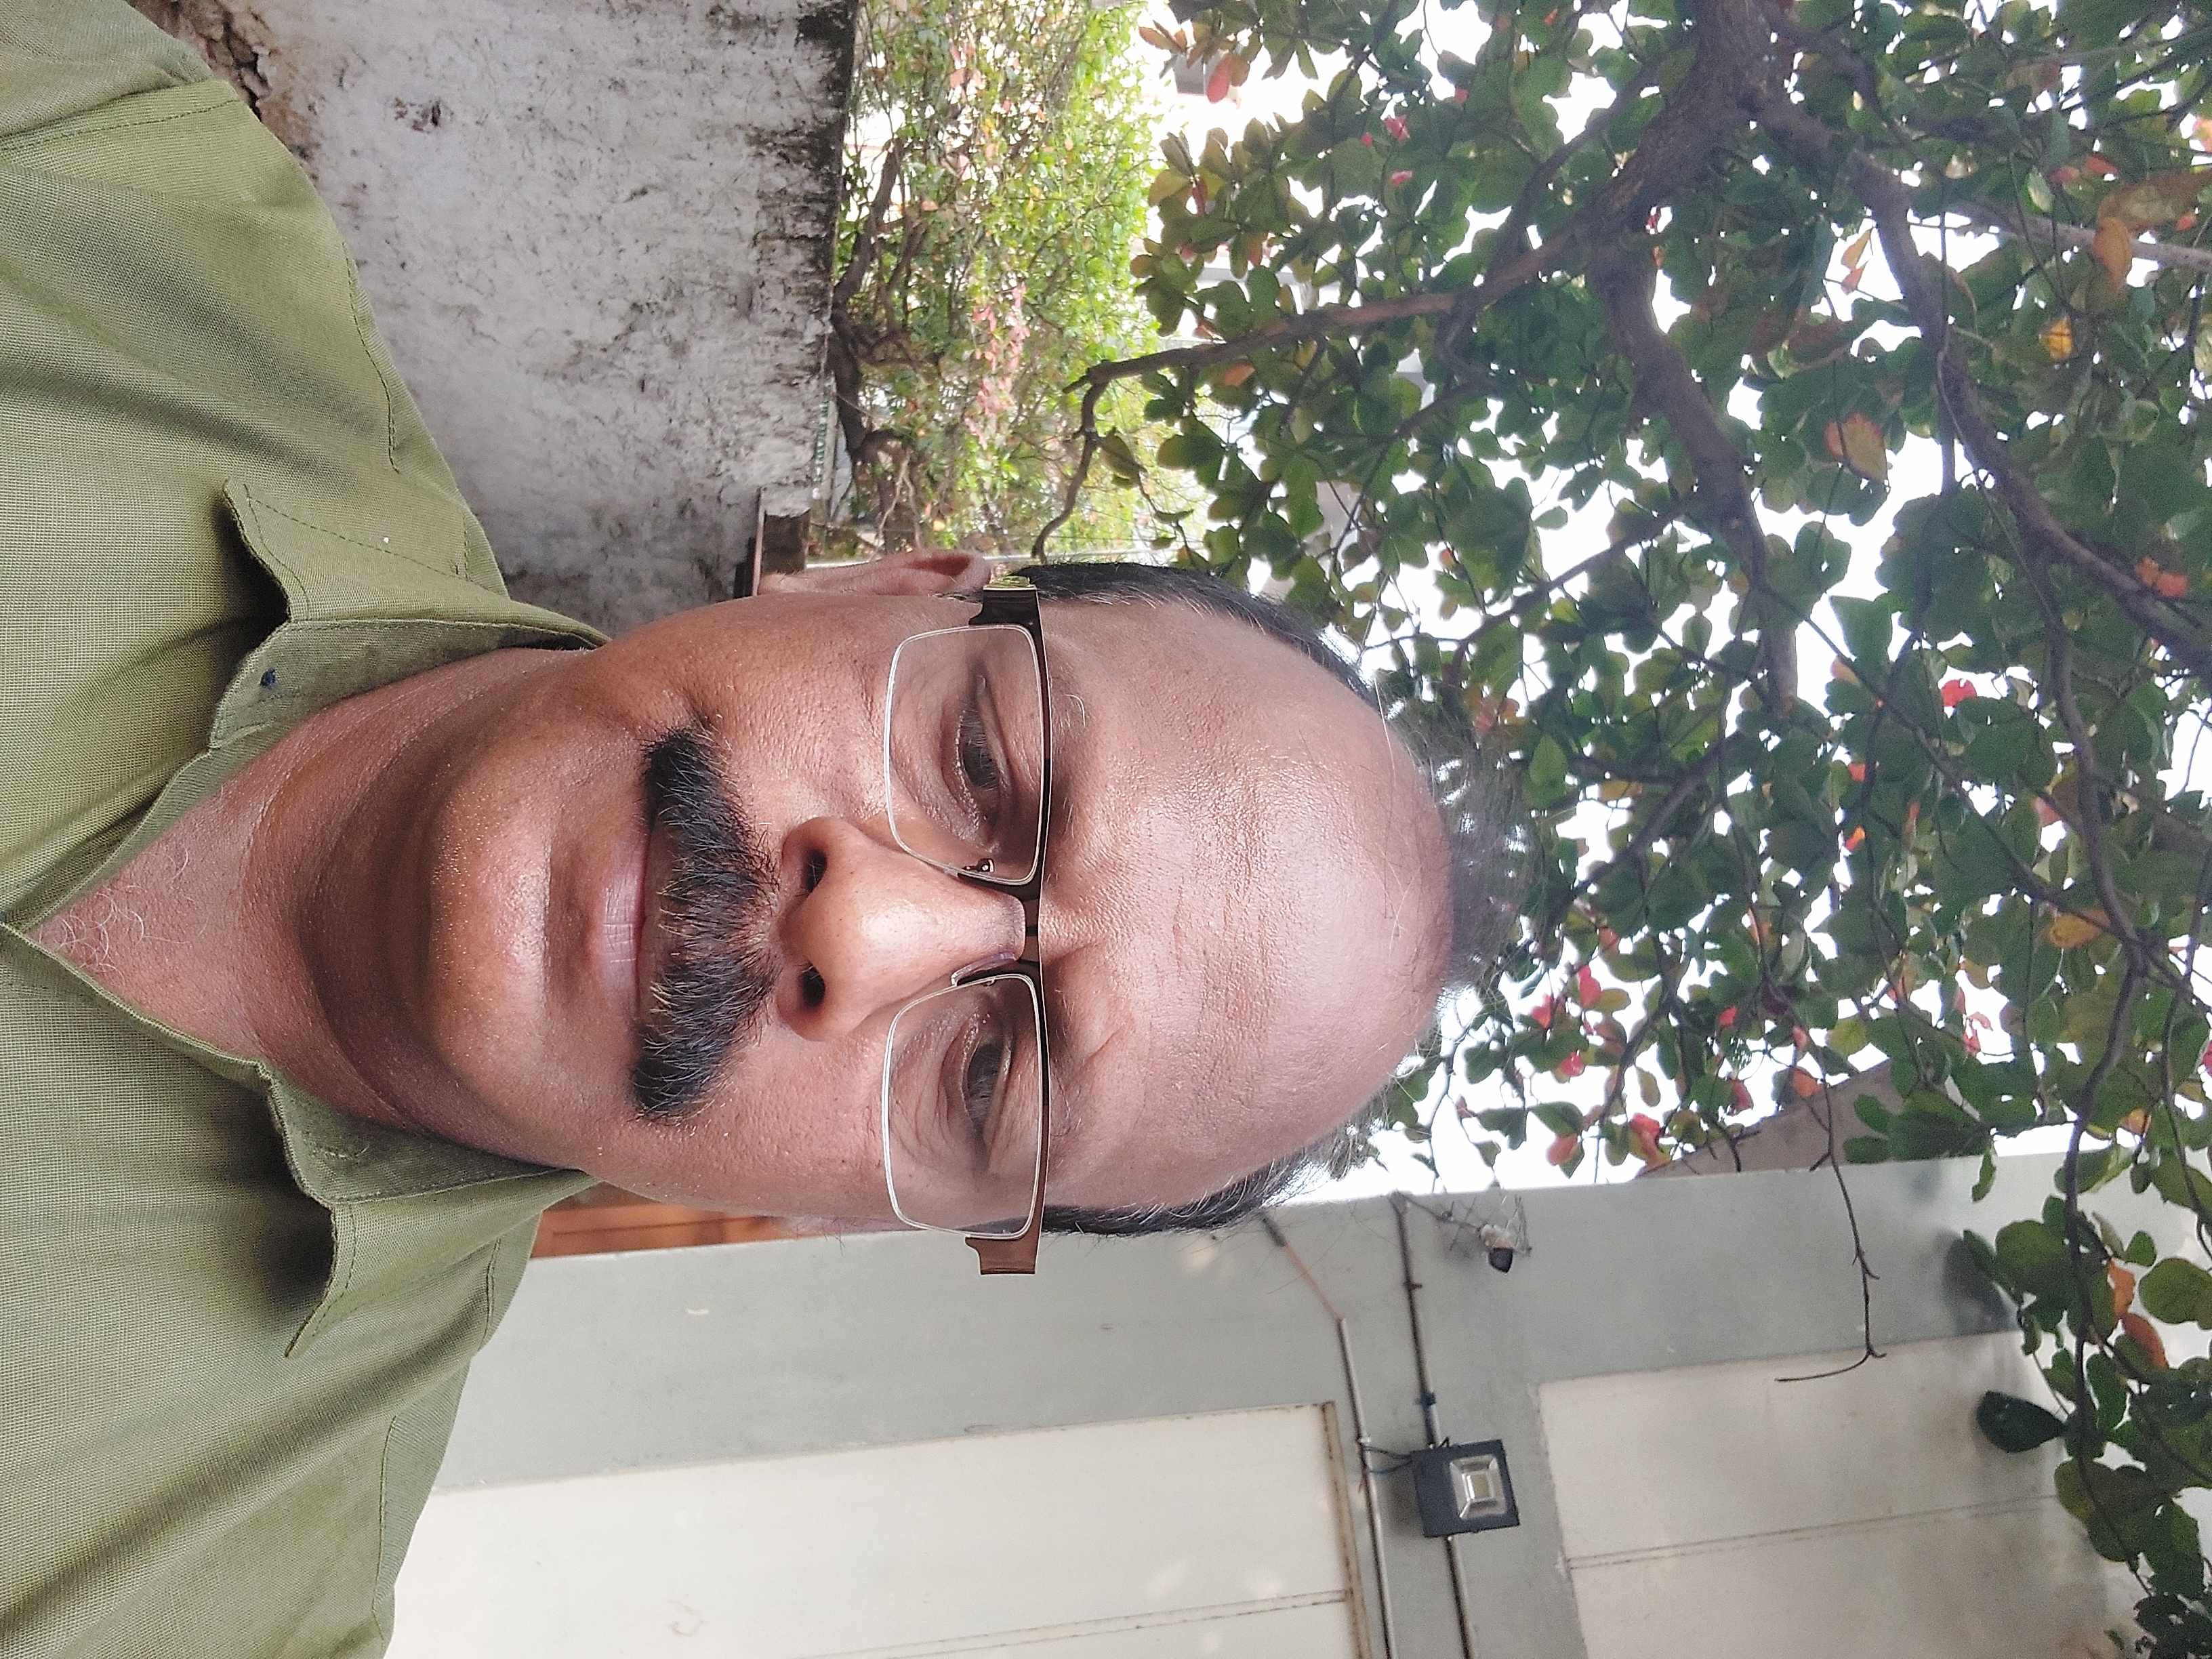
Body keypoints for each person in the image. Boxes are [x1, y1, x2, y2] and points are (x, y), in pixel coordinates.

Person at [0, 2, 1519, 1654]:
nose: (860, 931)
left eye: (986, 1077)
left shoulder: (212, 1603)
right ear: (877, 578)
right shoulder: (114, 200)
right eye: (977, 761)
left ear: (878, 1220)